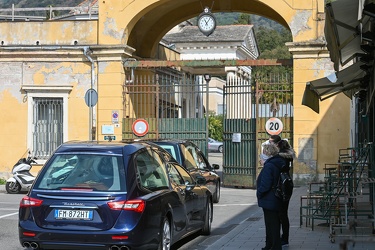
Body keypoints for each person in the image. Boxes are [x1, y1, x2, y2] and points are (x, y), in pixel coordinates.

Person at [257, 143, 285, 250]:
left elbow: (266, 185)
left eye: (264, 152)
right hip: (275, 199)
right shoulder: (277, 163)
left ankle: (275, 246)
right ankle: (270, 244)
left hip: (270, 199)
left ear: (268, 153)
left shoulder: (269, 166)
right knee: (272, 224)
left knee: (271, 224)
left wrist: (259, 193)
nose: (262, 154)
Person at [276, 139, 296, 247]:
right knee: (284, 214)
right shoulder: (289, 157)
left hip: (281, 186)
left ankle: (283, 238)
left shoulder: (280, 158)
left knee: (281, 214)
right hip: (287, 184)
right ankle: (285, 237)